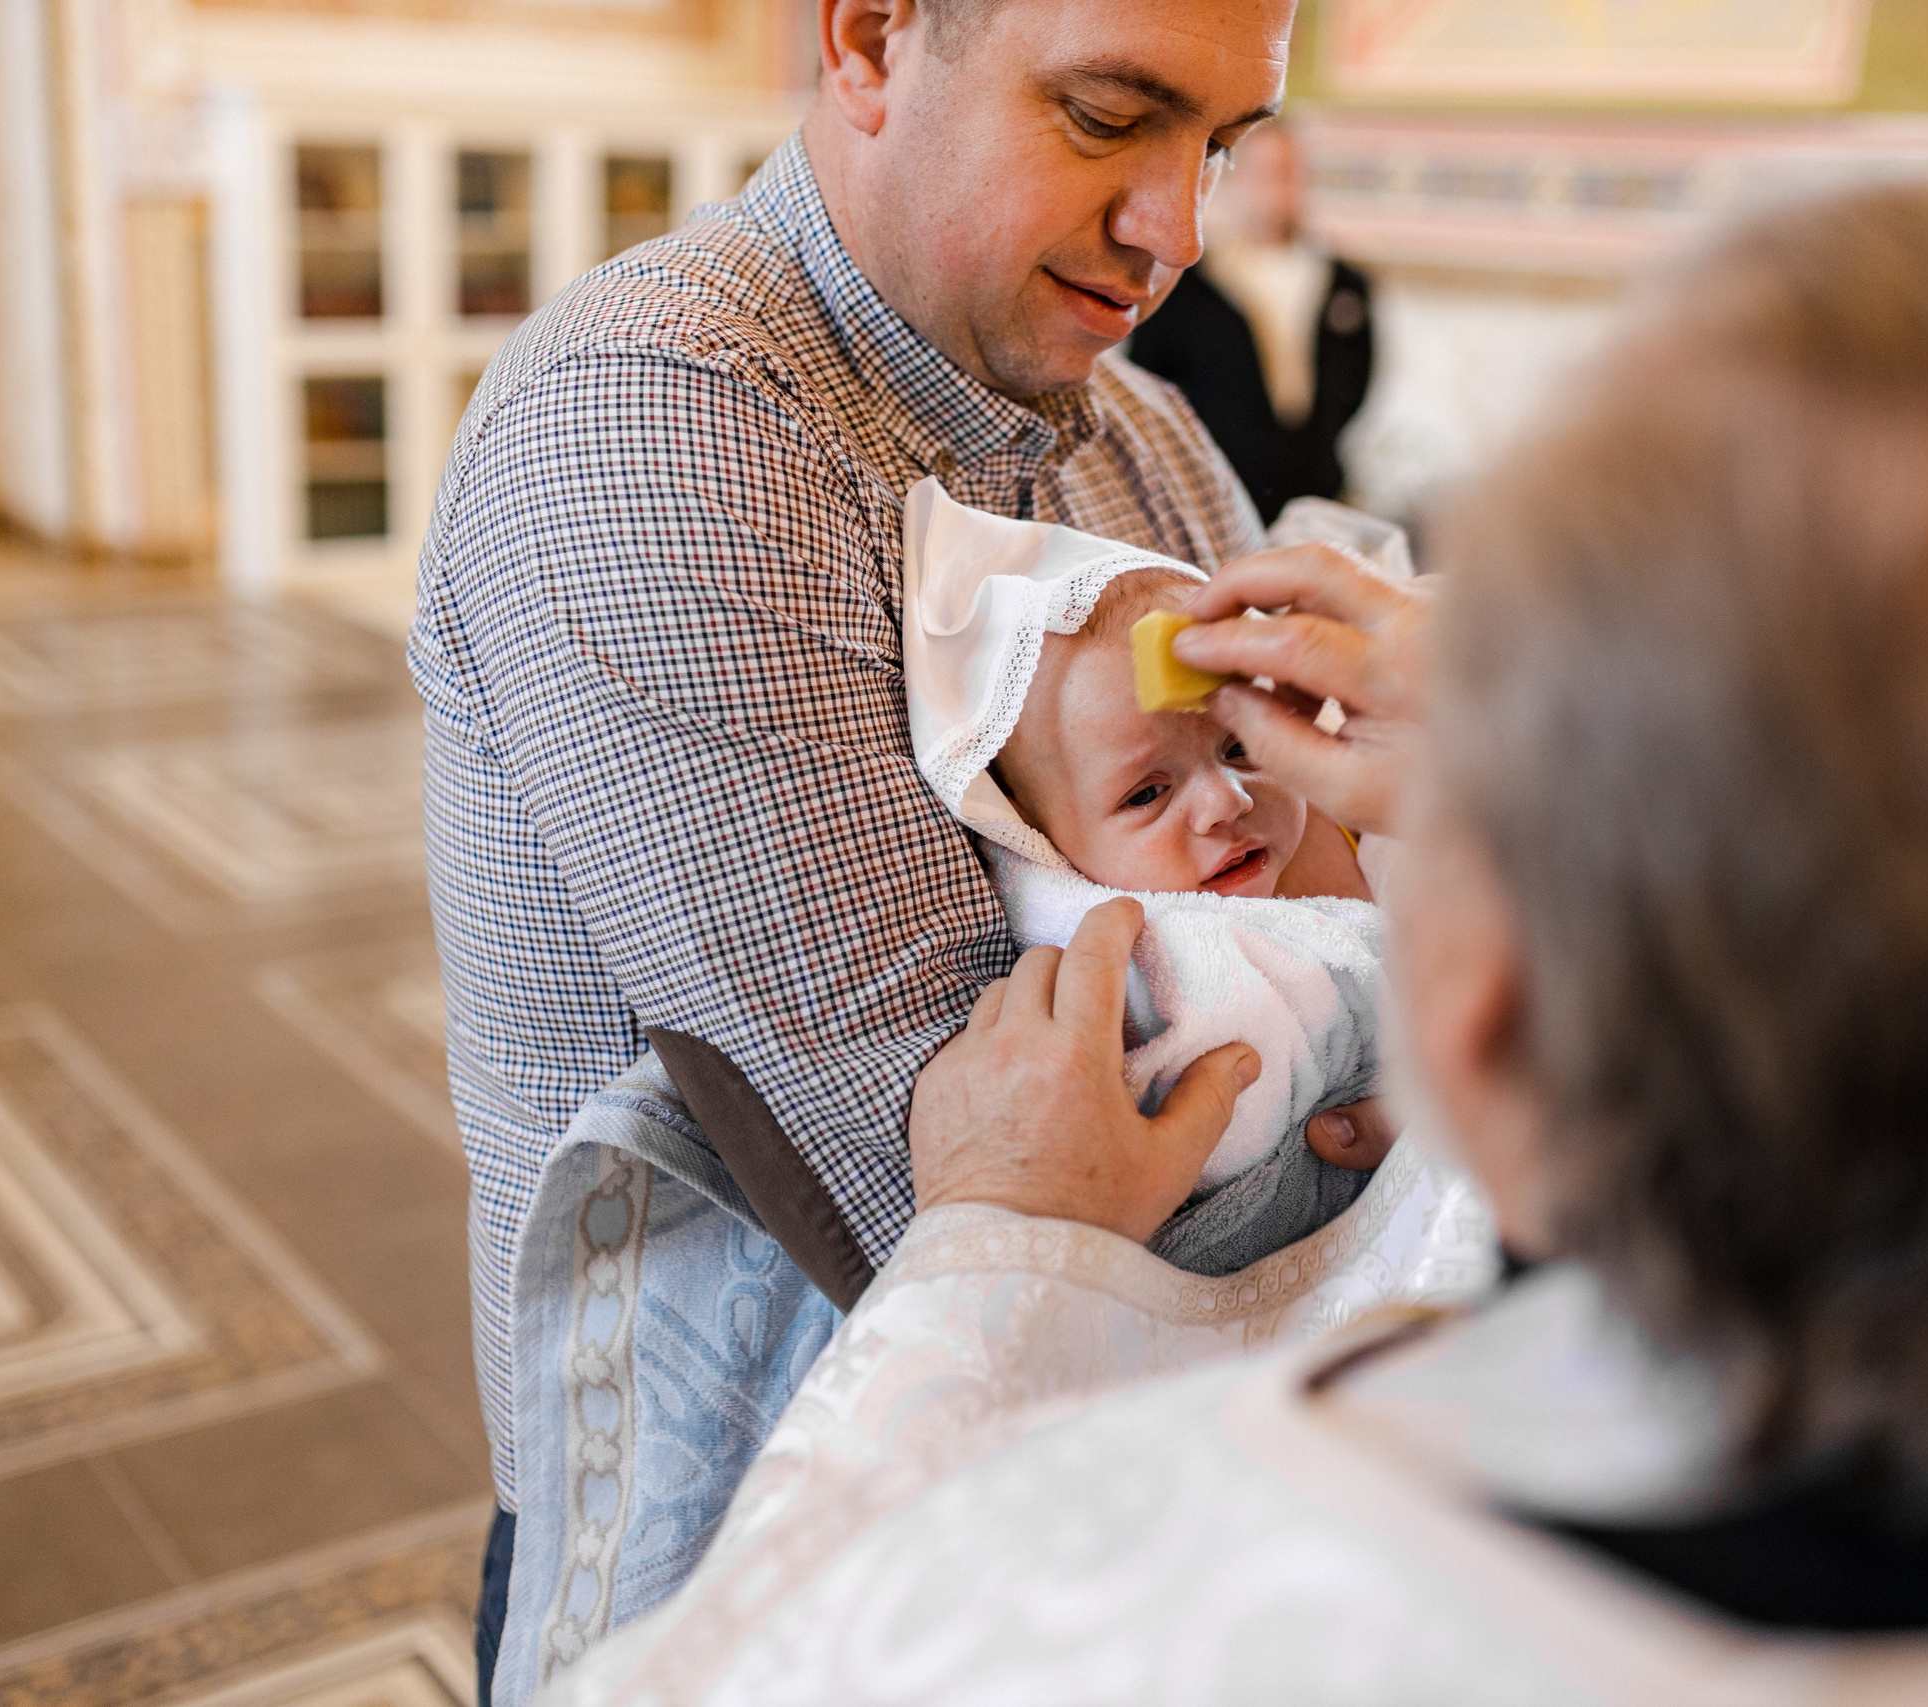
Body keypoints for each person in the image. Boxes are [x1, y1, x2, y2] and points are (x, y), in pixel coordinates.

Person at [544, 177, 1928, 1700]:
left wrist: (992, 1257)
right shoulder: (652, 419)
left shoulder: (1123, 1595)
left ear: (1490, 1023)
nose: (1175, 227)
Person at [409, 1, 1396, 1696]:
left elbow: (1318, 915)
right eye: (1108, 117)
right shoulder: (658, 416)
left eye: (1218, 145)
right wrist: (1404, 1100)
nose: (1178, 228)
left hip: (1080, 1508)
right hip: (734, 1550)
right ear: (867, 37)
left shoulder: (1144, 439)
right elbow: (947, 1201)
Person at [897, 477, 1483, 1278]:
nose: (1227, 799)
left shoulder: (1373, 812)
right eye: (1146, 792)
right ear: (1046, 850)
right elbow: (1224, 1112)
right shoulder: (1154, 962)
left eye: (1239, 747)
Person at [1125, 123, 1378, 523]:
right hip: (1213, 483)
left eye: (1287, 171)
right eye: (1262, 172)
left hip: (1315, 479)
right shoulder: (1194, 281)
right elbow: (1150, 376)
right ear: (1236, 179)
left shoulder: (1343, 281)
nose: (1275, 187)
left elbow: (1358, 376)